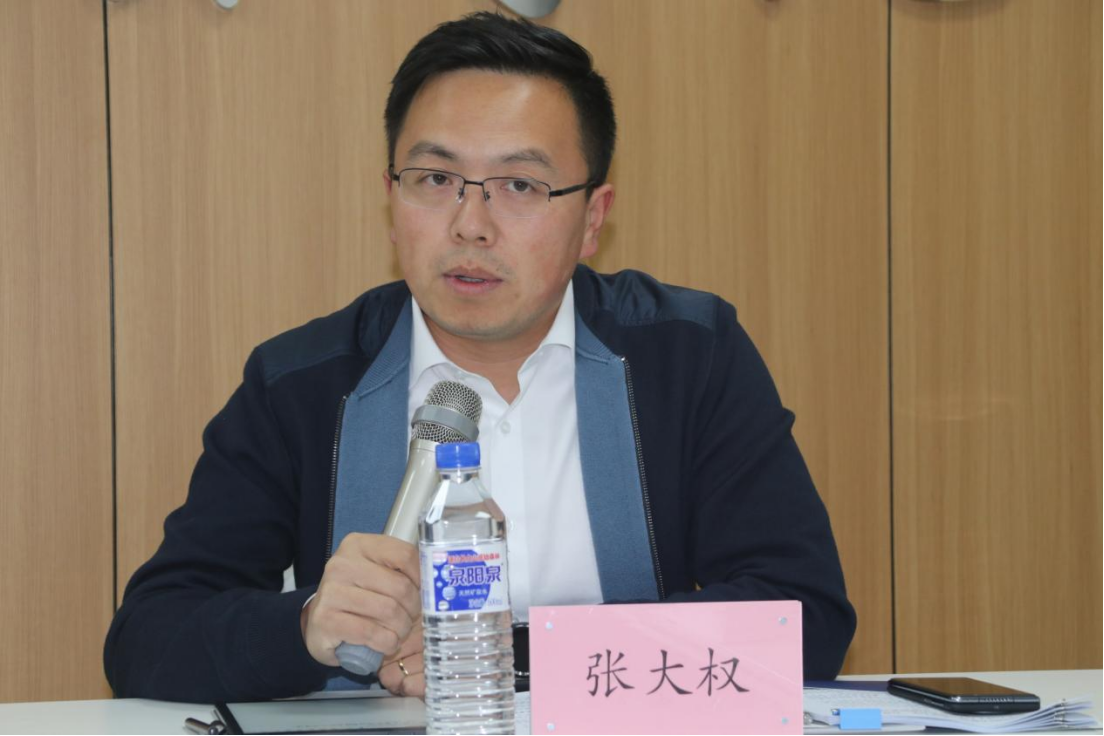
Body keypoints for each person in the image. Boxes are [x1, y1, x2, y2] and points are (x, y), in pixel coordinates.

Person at [104, 11, 855, 704]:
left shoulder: (690, 356)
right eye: (436, 179)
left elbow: (804, 617)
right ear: (391, 198)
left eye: (520, 185)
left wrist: (511, 657)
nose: (470, 225)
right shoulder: (300, 382)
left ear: (593, 218)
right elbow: (149, 637)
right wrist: (304, 626)